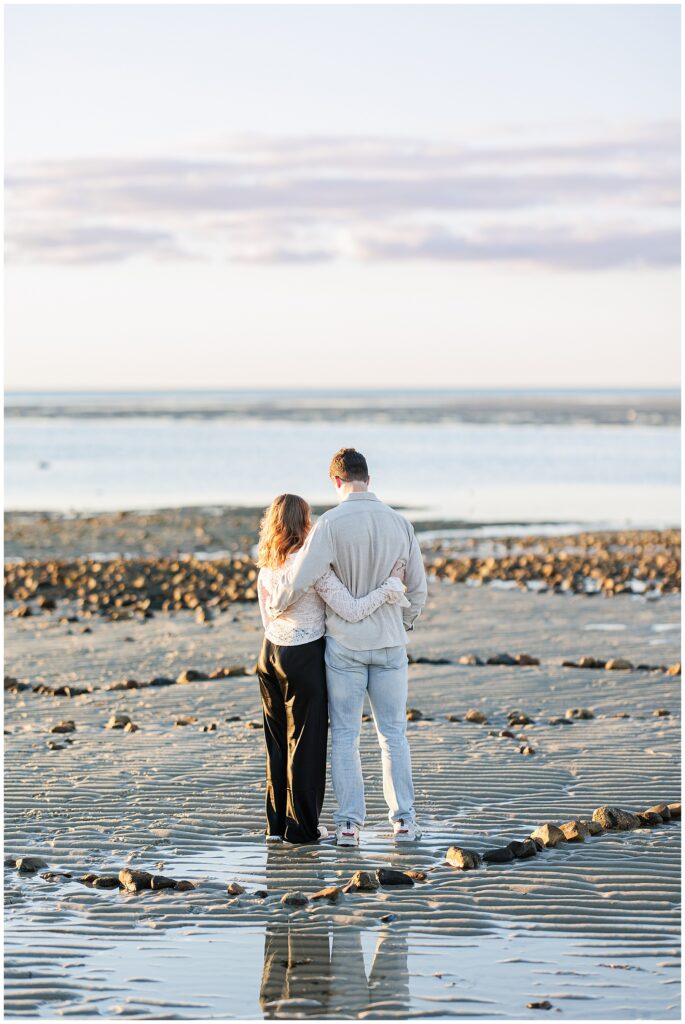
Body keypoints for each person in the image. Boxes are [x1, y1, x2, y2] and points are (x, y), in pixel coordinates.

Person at [267, 448, 428, 847]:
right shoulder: (401, 524)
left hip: (344, 648)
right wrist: (401, 621)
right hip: (390, 644)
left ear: (336, 481)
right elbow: (419, 592)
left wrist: (276, 603)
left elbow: (301, 577)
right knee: (393, 735)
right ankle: (404, 822)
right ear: (368, 479)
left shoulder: (329, 525)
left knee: (345, 737)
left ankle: (349, 826)